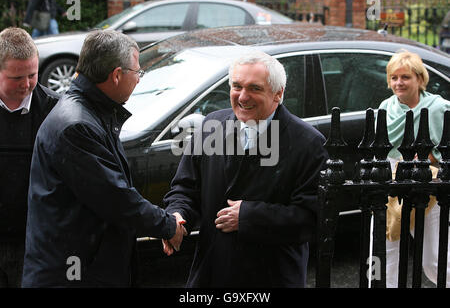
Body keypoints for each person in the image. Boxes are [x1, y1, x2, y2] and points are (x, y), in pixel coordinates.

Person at [21, 30, 186, 287]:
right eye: (138, 73)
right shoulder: (76, 125)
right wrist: (167, 225)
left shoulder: (91, 112)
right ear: (117, 75)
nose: (139, 80)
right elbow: (115, 198)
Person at [162, 50, 329, 287]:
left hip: (271, 277)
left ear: (278, 94)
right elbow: (185, 188)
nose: (242, 97)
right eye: (237, 86)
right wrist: (178, 216)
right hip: (211, 273)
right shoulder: (212, 126)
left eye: (255, 88)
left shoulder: (308, 143)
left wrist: (250, 216)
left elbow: (312, 218)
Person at [378, 50, 450, 288]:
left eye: (405, 77)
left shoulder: (439, 107)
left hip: (426, 187)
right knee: (385, 250)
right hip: (392, 185)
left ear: (420, 79)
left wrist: (430, 156)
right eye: (394, 77)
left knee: (435, 260)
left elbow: (444, 150)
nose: (399, 82)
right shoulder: (385, 107)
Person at [0, 27, 60, 288]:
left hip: (35, 242)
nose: (26, 85)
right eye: (16, 77)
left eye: (32, 75)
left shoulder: (54, 110)